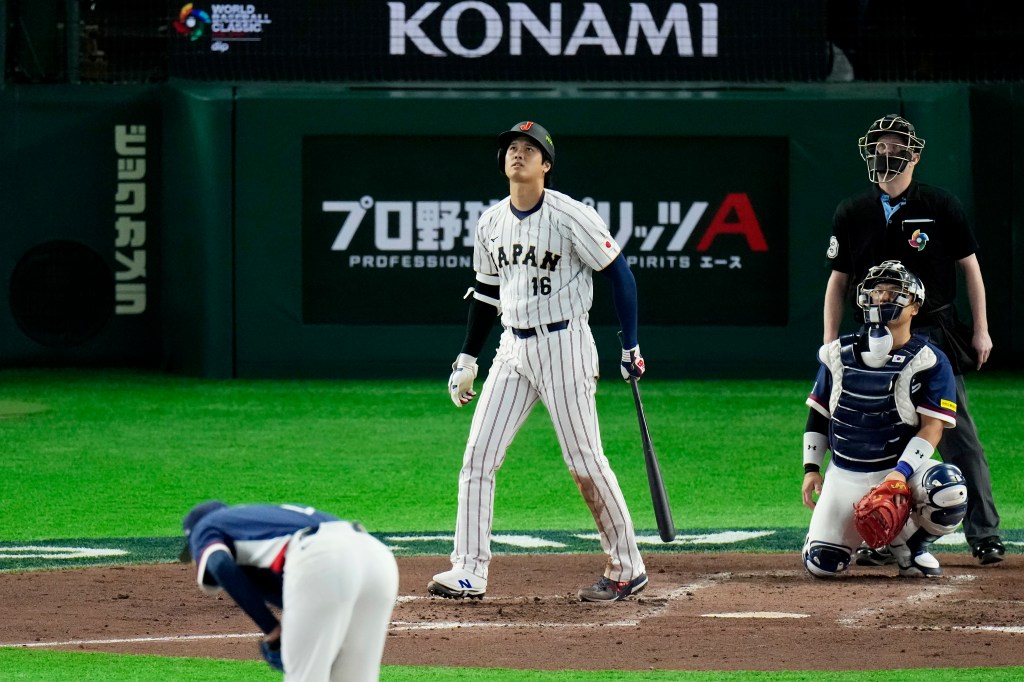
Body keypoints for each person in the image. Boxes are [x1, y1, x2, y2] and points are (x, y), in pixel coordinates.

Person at [428, 120, 649, 603]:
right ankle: (468, 570)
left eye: (529, 149)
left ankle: (627, 565)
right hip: (512, 347)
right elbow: (486, 293)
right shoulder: (490, 223)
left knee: (584, 460)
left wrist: (629, 346)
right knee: (477, 458)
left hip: (564, 344)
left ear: (546, 165)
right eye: (511, 147)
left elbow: (620, 275)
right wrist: (467, 356)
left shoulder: (572, 216)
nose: (518, 154)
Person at [822, 113, 1005, 566]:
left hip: (931, 336)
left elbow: (972, 269)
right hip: (873, 337)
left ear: (914, 154)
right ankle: (878, 536)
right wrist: (830, 344)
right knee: (875, 435)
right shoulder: (852, 211)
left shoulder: (940, 206)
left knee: (956, 435)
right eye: (879, 145)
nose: (885, 152)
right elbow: (838, 282)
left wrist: (981, 330)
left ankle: (984, 533)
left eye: (894, 145)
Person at [803, 260, 969, 578]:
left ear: (915, 306)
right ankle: (863, 540)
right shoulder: (837, 353)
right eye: (877, 291)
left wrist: (899, 473)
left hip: (899, 474)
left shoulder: (929, 360)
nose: (883, 298)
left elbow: (932, 428)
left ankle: (911, 547)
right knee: (821, 566)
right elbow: (818, 415)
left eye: (893, 292)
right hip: (844, 473)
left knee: (948, 489)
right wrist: (811, 469)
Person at [180, 501, 398, 681]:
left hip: (321, 555)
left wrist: (271, 627)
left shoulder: (205, 526)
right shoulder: (261, 520)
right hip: (376, 556)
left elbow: (219, 564)